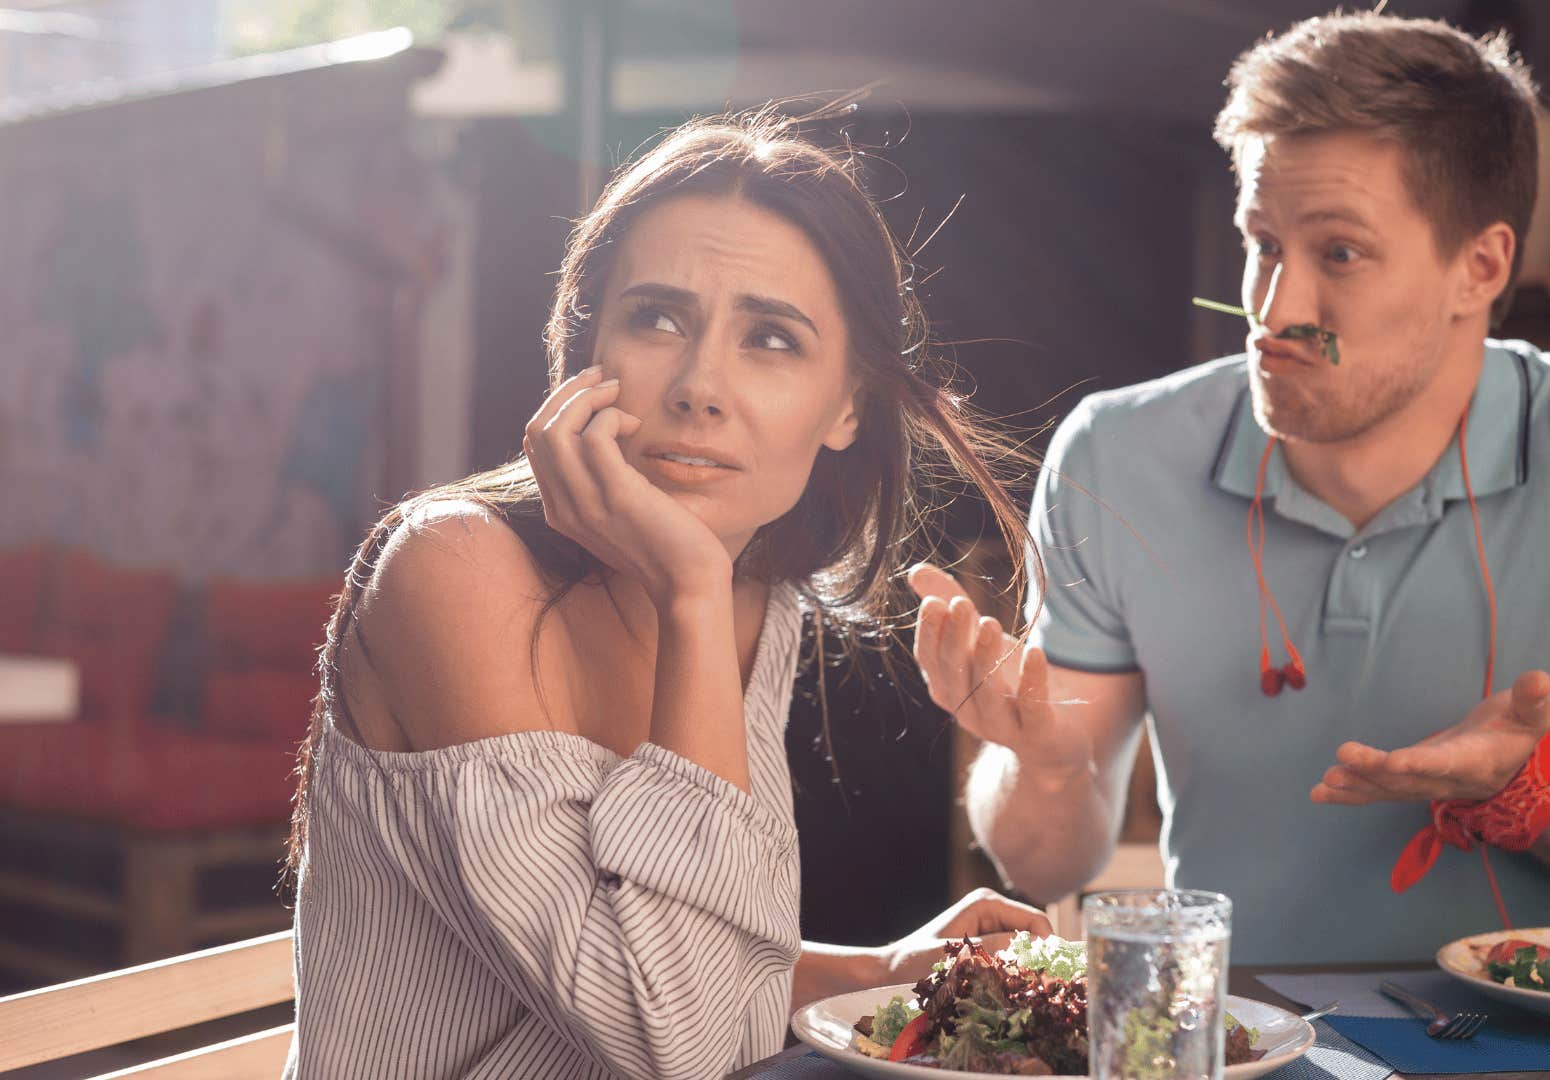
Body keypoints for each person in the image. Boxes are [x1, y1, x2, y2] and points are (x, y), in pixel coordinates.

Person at [911, 11, 1550, 965]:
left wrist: (1533, 788)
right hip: (1232, 1037)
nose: (1275, 311)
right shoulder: (1113, 454)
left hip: (1529, 1043)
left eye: (1341, 254)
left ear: (1479, 268)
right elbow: (1045, 864)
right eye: (1263, 242)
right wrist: (1042, 761)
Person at [281, 107, 1051, 1079]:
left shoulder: (757, 597)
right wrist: (690, 590)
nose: (699, 386)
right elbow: (674, 1045)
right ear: (584, 351)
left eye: (770, 338)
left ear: (849, 404)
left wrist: (875, 969)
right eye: (656, 318)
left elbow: (667, 958)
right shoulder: (449, 572)